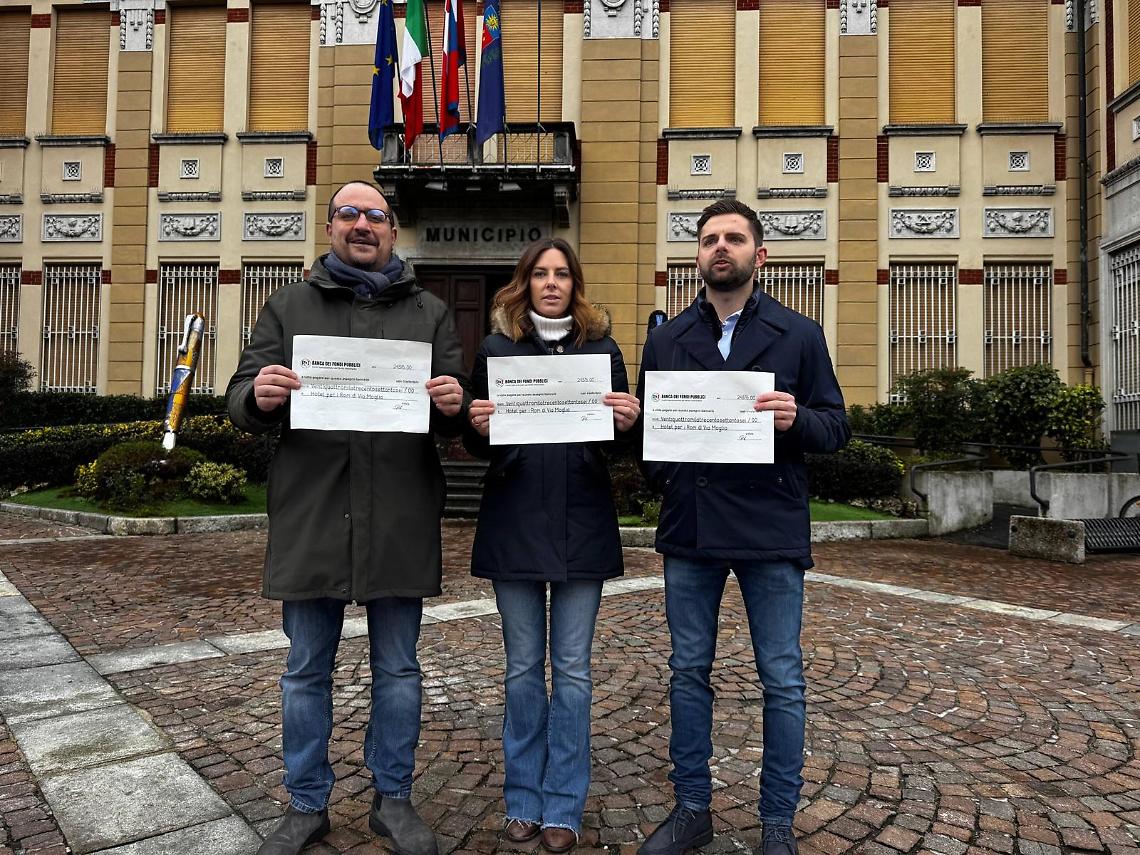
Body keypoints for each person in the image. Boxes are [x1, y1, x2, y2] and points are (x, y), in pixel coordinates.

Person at [226, 180, 469, 855]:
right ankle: (307, 803)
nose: (362, 225)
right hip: (313, 513)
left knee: (399, 668)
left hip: (399, 512)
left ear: (392, 230)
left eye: (375, 216)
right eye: (348, 214)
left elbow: (457, 410)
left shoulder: (430, 313)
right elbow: (239, 396)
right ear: (330, 226)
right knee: (306, 667)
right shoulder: (287, 305)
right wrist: (259, 395)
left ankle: (394, 798)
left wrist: (453, 400)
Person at [635, 200, 850, 855]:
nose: (719, 247)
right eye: (708, 239)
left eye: (733, 238)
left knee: (781, 677)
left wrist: (798, 419)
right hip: (692, 528)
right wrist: (663, 471)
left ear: (761, 255)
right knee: (686, 670)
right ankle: (692, 808)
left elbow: (836, 426)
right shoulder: (667, 338)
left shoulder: (799, 334)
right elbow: (650, 439)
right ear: (696, 257)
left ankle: (778, 822)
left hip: (770, 527)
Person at [465, 238, 641, 854]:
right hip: (515, 521)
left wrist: (628, 422)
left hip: (581, 524)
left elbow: (614, 446)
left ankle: (563, 805)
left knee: (571, 673)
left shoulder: (603, 351)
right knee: (520, 671)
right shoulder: (495, 350)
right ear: (523, 283)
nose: (550, 283)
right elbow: (477, 439)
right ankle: (522, 800)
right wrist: (475, 424)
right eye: (539, 273)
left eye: (561, 274)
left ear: (576, 285)